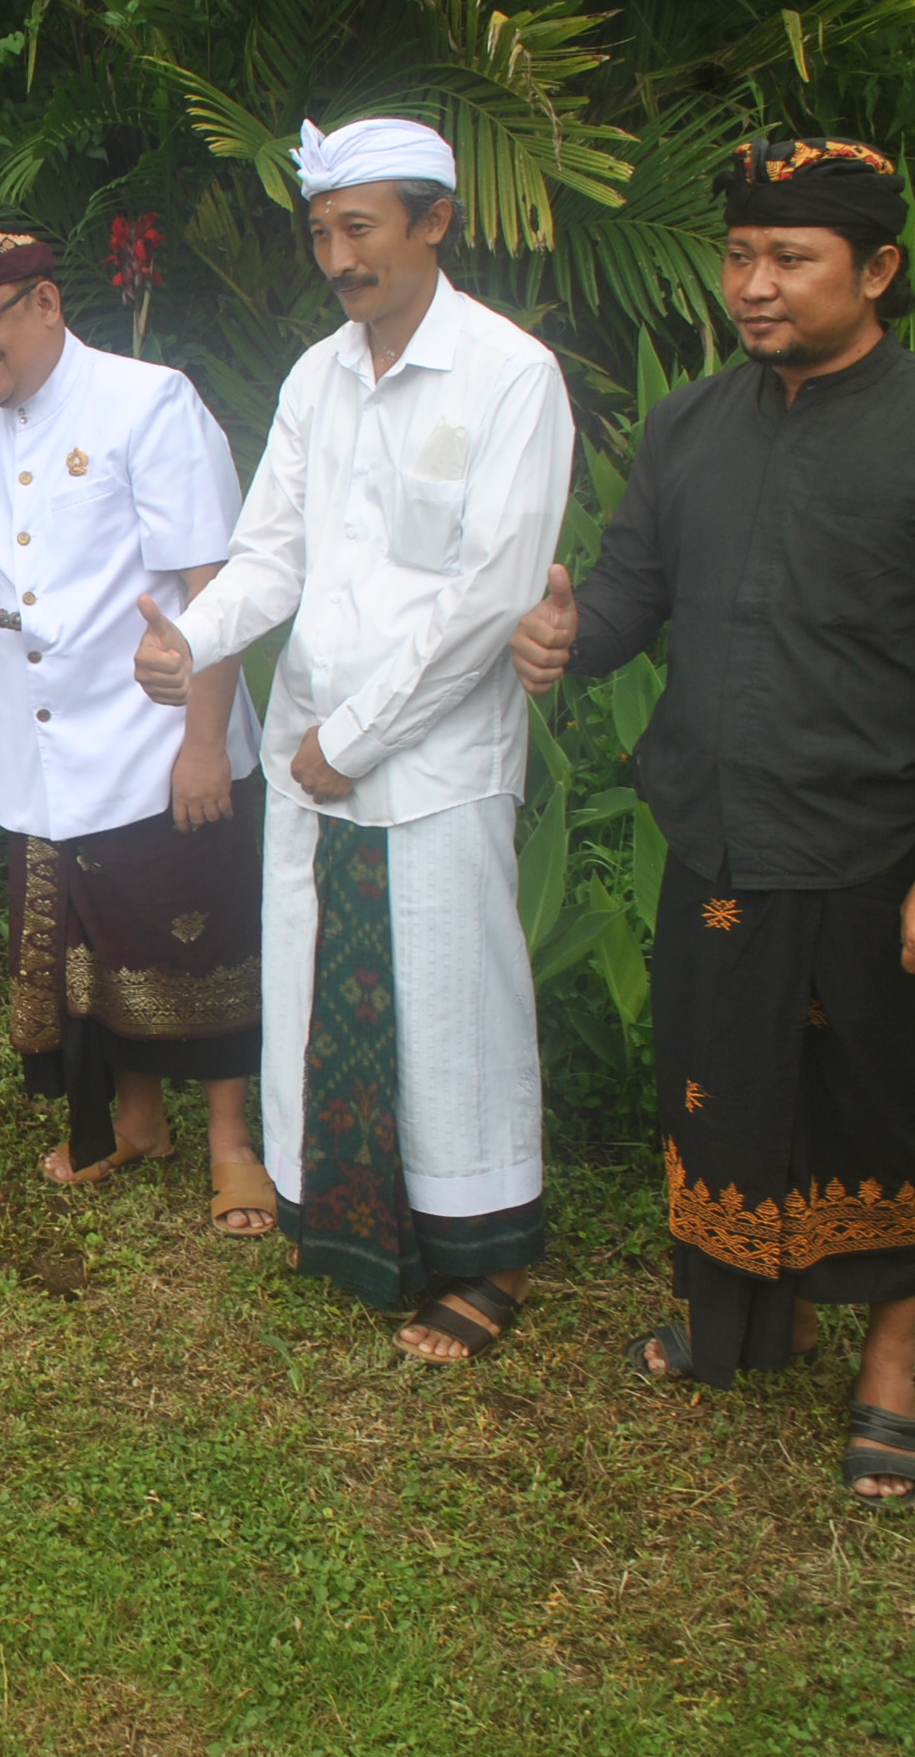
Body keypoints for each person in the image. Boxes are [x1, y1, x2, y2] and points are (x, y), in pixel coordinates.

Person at [510, 137, 915, 1506]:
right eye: (741, 256)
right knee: (722, 1089)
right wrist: (572, 633)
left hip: (876, 848)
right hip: (719, 834)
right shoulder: (691, 426)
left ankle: (889, 1368)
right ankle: (751, 1319)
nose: (754, 285)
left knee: (880, 1108)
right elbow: (633, 592)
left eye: (791, 259)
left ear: (876, 271)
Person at [137, 118, 573, 1361]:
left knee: (450, 1001)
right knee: (322, 983)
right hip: (314, 751)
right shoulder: (317, 377)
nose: (338, 257)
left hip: (431, 760)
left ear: (434, 224)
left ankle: (487, 1258)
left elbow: (490, 593)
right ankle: (350, 1220)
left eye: (361, 228)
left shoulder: (508, 375)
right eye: (322, 232)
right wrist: (191, 638)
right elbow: (271, 552)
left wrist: (357, 735)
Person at [0, 232, 276, 1232]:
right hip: (42, 750)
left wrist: (204, 746)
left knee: (204, 936)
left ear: (46, 304)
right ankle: (135, 1123)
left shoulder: (148, 402)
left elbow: (210, 583)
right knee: (89, 951)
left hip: (157, 732)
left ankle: (232, 1144)